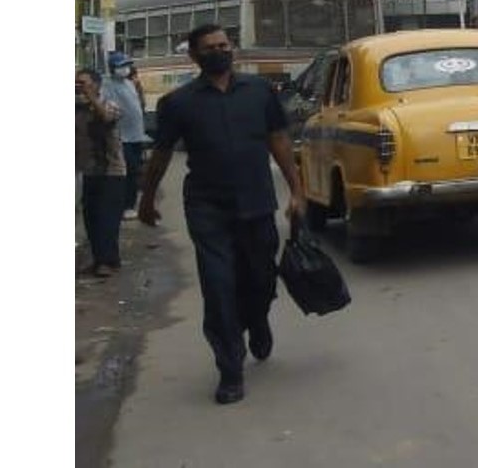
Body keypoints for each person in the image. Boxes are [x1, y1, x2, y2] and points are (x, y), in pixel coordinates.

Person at [138, 24, 306, 405]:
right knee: (218, 286)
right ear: (195, 57)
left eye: (224, 45)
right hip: (207, 206)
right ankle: (230, 369)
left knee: (260, 278)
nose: (219, 51)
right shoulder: (178, 103)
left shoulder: (259, 91)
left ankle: (258, 319)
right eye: (210, 47)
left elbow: (278, 139)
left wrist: (297, 191)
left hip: (257, 202)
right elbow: (161, 154)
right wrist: (147, 199)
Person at [76, 67, 126, 278]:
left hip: (111, 171)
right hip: (88, 171)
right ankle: (101, 259)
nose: (78, 86)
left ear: (96, 85)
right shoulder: (75, 108)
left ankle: (107, 261)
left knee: (107, 219)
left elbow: (106, 118)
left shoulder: (109, 104)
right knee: (91, 218)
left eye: (83, 82)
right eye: (76, 83)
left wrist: (90, 97)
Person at [103, 53, 150, 220]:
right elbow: (108, 108)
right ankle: (124, 206)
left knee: (134, 170)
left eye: (127, 65)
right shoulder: (107, 85)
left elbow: (137, 105)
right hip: (121, 137)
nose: (126, 69)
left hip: (136, 135)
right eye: (122, 66)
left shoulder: (129, 83)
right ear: (114, 69)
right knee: (126, 171)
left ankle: (130, 204)